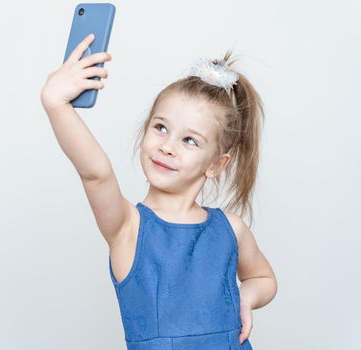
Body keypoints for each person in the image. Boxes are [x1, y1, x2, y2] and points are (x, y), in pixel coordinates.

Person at [40, 33, 277, 350]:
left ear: (217, 164)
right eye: (161, 127)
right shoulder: (128, 227)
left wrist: (245, 297)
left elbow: (263, 279)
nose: (167, 147)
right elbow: (96, 174)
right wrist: (57, 105)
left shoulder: (231, 229)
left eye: (189, 140)